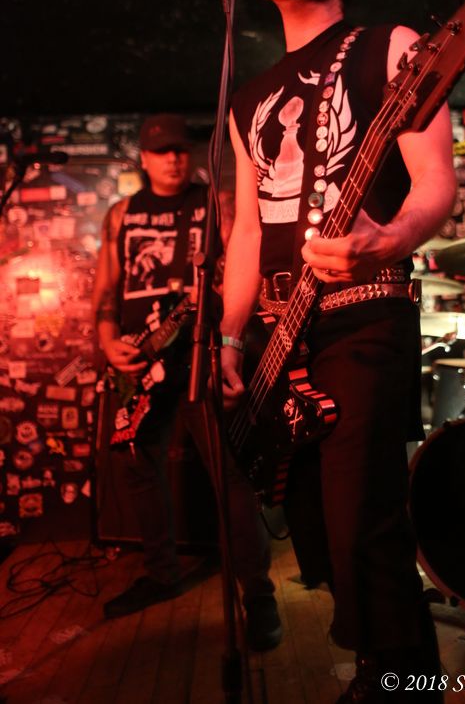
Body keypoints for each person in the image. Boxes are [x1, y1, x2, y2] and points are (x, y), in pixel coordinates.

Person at [220, 0, 457, 702]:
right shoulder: (247, 99)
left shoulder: (391, 46)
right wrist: (229, 338)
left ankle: (392, 684)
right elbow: (246, 234)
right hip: (278, 337)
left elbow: (435, 183)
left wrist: (387, 239)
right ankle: (399, 676)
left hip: (364, 311)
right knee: (320, 532)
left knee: (363, 519)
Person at [93, 113, 281, 651]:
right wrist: (107, 341)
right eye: (162, 151)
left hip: (199, 348)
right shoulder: (122, 214)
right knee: (136, 465)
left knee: (227, 471)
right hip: (140, 358)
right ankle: (162, 572)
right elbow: (106, 287)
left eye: (181, 149)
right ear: (143, 158)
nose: (174, 159)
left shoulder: (214, 204)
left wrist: (223, 316)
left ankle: (258, 596)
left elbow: (243, 268)